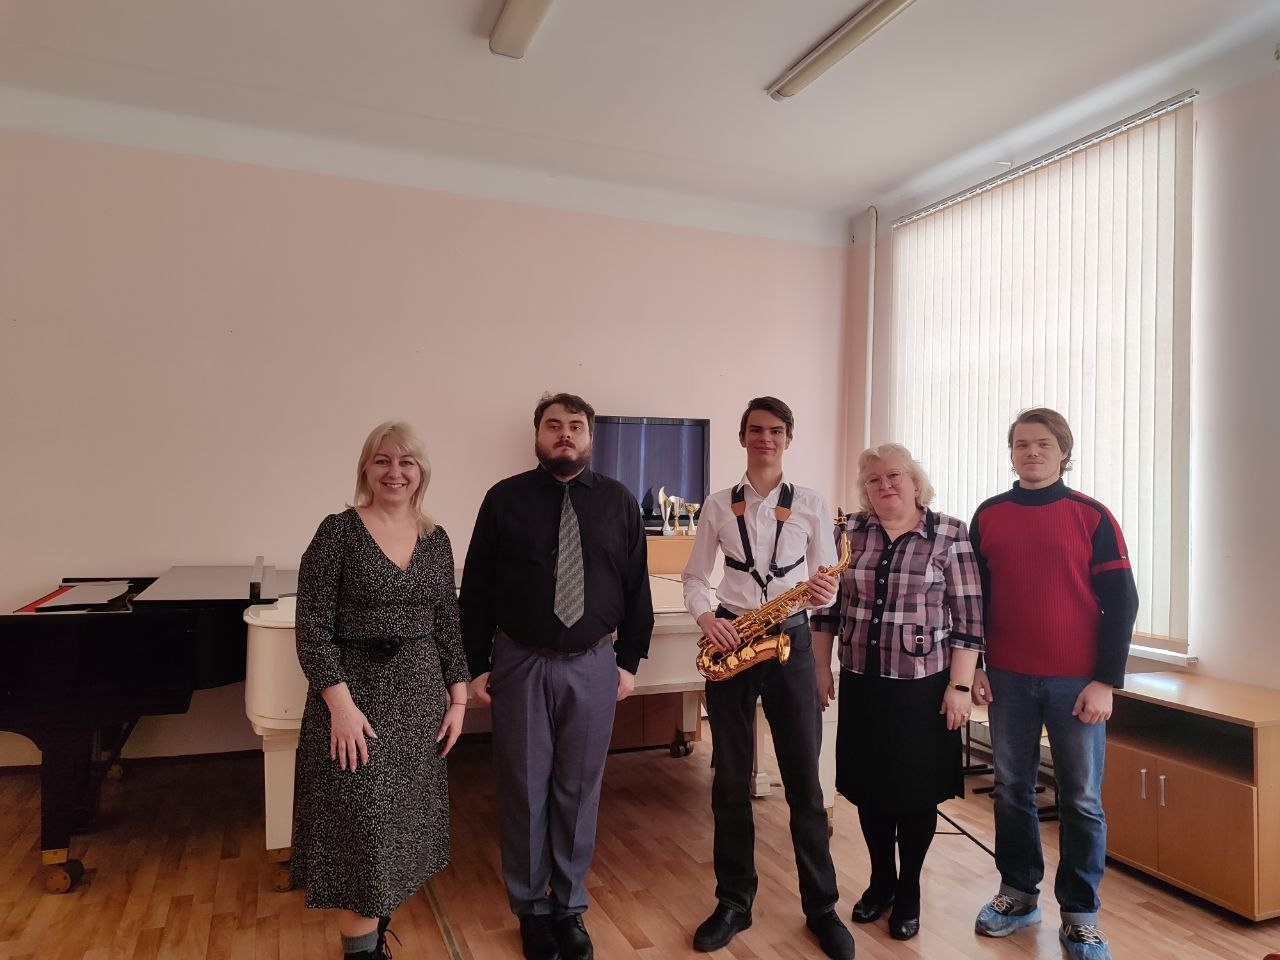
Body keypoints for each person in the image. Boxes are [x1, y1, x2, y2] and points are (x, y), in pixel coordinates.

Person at [459, 392, 654, 960]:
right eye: (553, 425)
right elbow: (476, 588)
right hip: (519, 661)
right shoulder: (504, 499)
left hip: (594, 663)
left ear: (591, 437)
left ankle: (569, 907)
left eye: (575, 426)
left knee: (578, 789)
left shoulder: (618, 502)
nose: (564, 434)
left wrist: (628, 661)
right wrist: (476, 665)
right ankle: (530, 909)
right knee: (523, 788)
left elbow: (636, 586)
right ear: (538, 435)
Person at [681, 396, 855, 960]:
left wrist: (825, 591)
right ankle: (734, 900)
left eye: (776, 431)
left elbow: (827, 582)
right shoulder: (716, 505)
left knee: (805, 781)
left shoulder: (810, 503)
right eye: (756, 430)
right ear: (742, 437)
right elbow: (694, 578)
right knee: (730, 781)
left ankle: (822, 907)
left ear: (787, 439)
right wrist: (707, 620)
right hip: (732, 636)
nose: (766, 439)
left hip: (791, 641)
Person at [292, 421, 471, 960]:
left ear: (421, 472)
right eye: (383, 460)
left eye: (406, 462)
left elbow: (447, 624)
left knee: (397, 832)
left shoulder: (435, 538)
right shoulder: (338, 533)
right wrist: (341, 707)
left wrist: (458, 699)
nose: (395, 472)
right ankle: (362, 952)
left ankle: (374, 939)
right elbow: (312, 629)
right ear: (366, 469)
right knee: (363, 834)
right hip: (355, 706)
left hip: (419, 704)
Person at [969, 408, 1139, 960]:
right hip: (1007, 679)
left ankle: (1081, 915)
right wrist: (976, 666)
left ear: (1064, 451)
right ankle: (1019, 894)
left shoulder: (1092, 516)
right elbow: (974, 603)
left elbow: (1122, 603)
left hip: (1077, 684)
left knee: (1082, 800)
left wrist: (1106, 681)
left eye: (1043, 443)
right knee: (1012, 789)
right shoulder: (988, 515)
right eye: (1022, 444)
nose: (1032, 452)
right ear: (1011, 452)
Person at [810, 443, 984, 942]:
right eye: (874, 480)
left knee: (915, 793)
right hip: (863, 681)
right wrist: (820, 668)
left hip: (923, 689)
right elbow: (827, 609)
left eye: (894, 476)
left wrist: (960, 686)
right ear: (865, 489)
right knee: (870, 789)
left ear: (914, 481)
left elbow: (969, 619)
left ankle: (909, 890)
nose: (884, 486)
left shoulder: (949, 533)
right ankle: (881, 880)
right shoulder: (848, 533)